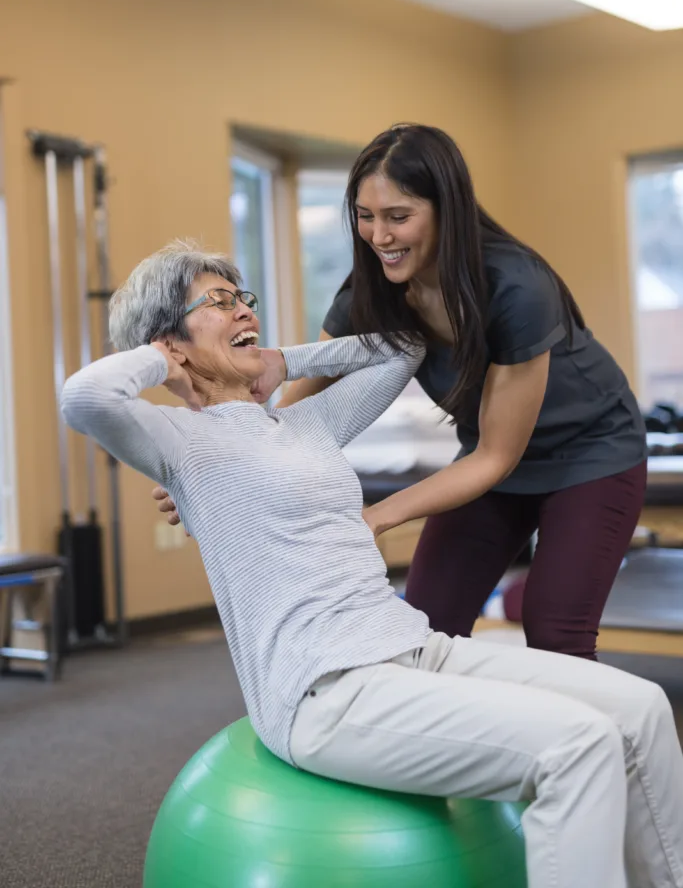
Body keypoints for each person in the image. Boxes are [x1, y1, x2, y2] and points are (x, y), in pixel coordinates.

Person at [62, 240, 683, 888]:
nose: (243, 309)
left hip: (409, 646)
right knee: (576, 748)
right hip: (322, 687)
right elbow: (85, 396)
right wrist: (160, 363)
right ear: (172, 340)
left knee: (640, 710)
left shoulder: (304, 423)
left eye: (242, 297)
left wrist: (284, 359)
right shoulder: (178, 443)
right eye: (218, 301)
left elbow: (399, 349)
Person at [277, 123, 648, 661]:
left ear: (446, 210)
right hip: (491, 462)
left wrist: (378, 516)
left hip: (591, 455)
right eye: (365, 216)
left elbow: (496, 456)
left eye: (398, 217)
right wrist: (221, 465)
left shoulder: (517, 288)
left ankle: (596, 747)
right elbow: (299, 411)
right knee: (423, 625)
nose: (380, 236)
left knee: (554, 632)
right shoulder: (371, 291)